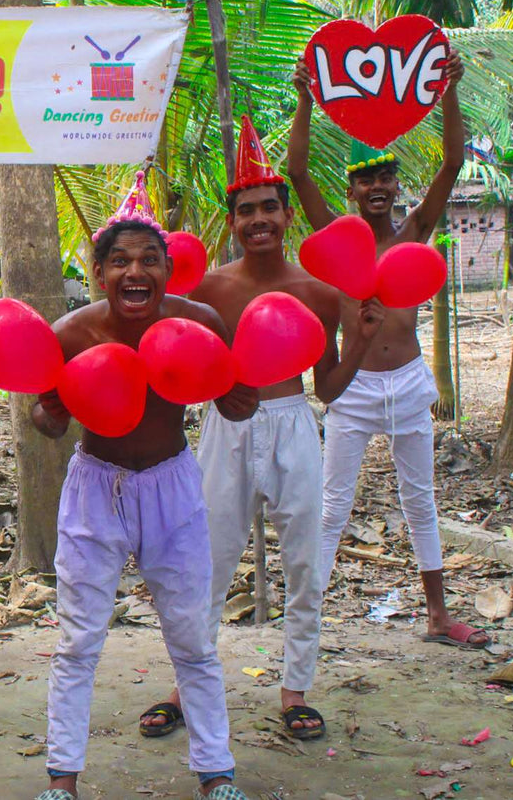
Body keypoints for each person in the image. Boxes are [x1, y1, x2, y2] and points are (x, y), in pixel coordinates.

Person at [143, 117, 383, 742]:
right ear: (231, 223)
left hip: (295, 425)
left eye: (269, 208)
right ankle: (184, 685)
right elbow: (181, 364)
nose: (259, 220)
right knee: (206, 562)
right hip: (224, 429)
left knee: (305, 562)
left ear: (285, 216)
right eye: (246, 210)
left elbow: (326, 387)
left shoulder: (319, 291)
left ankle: (295, 687)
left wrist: (359, 341)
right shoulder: (207, 292)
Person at [31, 172, 255, 800]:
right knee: (78, 639)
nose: (137, 271)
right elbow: (47, 418)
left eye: (150, 259)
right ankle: (62, 780)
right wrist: (47, 416)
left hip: (173, 484)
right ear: (99, 272)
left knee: (192, 639)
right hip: (94, 487)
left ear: (167, 268)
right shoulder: (71, 333)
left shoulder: (202, 321)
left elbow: (236, 401)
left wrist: (242, 400)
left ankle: (216, 774)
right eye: (121, 260)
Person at [287, 53, 487, 650]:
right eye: (366, 179)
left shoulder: (413, 234)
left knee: (419, 501)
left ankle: (436, 615)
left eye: (386, 177)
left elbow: (453, 162)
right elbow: (297, 173)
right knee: (333, 507)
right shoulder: (334, 241)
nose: (377, 187)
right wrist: (304, 98)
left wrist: (447, 90)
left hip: (408, 382)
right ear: (350, 189)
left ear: (396, 184)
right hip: (354, 390)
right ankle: (309, 622)